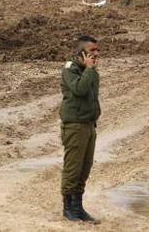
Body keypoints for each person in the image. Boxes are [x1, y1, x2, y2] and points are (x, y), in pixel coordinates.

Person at [60, 35, 101, 222]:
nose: (96, 53)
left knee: (84, 167)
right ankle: (68, 208)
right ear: (81, 52)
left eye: (96, 50)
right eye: (92, 50)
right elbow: (80, 90)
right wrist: (89, 69)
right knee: (73, 168)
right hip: (75, 125)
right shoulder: (71, 69)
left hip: (88, 124)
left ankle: (78, 207)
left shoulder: (88, 69)